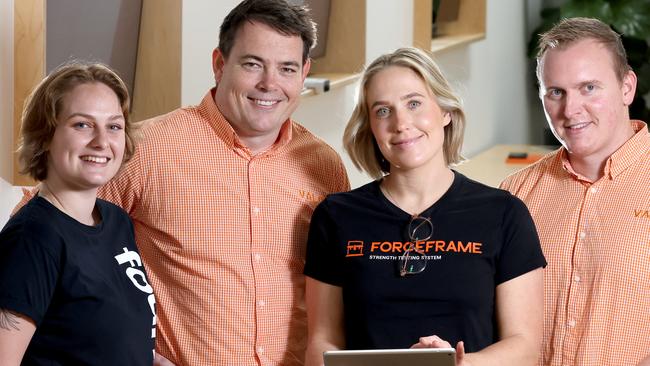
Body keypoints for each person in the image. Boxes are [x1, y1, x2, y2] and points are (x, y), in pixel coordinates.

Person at [95, 0, 349, 365]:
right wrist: (129, 352)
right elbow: (53, 238)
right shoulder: (147, 149)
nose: (269, 84)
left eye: (287, 68)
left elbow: (340, 290)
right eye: (252, 64)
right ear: (219, 64)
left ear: (304, 72)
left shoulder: (324, 167)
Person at [304, 47, 546, 366]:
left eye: (414, 103)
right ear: (370, 128)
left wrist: (457, 365)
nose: (401, 123)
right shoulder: (335, 217)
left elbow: (525, 346)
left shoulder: (504, 214)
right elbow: (321, 341)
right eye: (382, 111)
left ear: (445, 111)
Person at [500, 17, 650, 366]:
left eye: (589, 88)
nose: (570, 110)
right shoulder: (515, 195)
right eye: (556, 92)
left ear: (627, 87)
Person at [0, 62, 155, 365]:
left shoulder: (116, 221)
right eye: (82, 124)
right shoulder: (32, 239)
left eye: (114, 126)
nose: (101, 141)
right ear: (45, 135)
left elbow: (109, 343)